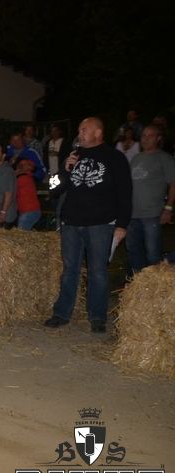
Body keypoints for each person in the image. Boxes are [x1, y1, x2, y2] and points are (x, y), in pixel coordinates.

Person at [44, 117, 132, 334]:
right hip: (71, 223)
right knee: (69, 270)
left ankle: (97, 316)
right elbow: (53, 189)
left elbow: (125, 192)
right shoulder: (73, 156)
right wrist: (64, 170)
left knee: (98, 271)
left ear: (98, 133)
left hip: (100, 224)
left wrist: (122, 224)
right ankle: (62, 313)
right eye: (79, 130)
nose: (79, 134)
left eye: (84, 130)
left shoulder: (114, 157)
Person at [126, 125, 175, 274]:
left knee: (153, 254)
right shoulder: (136, 158)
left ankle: (156, 284)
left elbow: (173, 184)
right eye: (143, 136)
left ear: (158, 138)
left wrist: (168, 208)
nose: (146, 139)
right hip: (132, 214)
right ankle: (137, 284)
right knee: (134, 252)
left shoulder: (164, 158)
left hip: (152, 214)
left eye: (150, 136)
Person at [15, 159, 42, 230]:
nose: (19, 167)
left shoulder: (23, 178)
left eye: (21, 166)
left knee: (21, 232)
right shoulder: (28, 177)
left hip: (29, 211)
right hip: (30, 210)